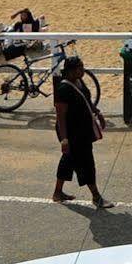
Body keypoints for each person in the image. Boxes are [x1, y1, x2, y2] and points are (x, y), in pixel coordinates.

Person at [51, 55, 109, 208]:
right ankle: (96, 196)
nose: (83, 70)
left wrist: (98, 112)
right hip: (72, 133)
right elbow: (60, 116)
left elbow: (87, 99)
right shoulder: (63, 89)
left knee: (68, 160)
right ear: (71, 71)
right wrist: (64, 139)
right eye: (80, 68)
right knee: (87, 163)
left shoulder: (79, 81)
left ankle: (58, 192)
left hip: (83, 129)